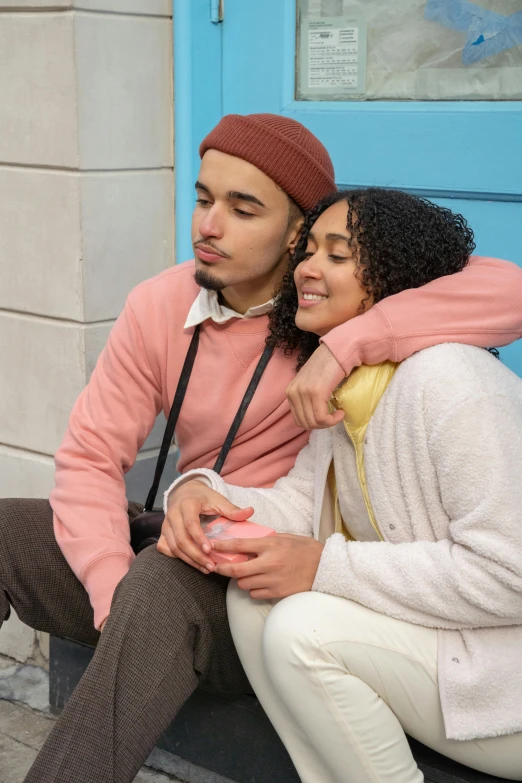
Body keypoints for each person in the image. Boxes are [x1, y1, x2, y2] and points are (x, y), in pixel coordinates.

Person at [0, 114, 521, 782]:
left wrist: (345, 346)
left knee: (160, 585)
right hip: (196, 535)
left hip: (258, 583)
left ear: (297, 228)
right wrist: (112, 586)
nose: (208, 226)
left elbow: (506, 287)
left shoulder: (335, 308)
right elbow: (89, 460)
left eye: (243, 209)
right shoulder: (160, 303)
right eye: (202, 198)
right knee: (16, 532)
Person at [165, 188, 522, 783]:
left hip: (502, 685)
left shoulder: (452, 381)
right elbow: (301, 503)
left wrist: (324, 567)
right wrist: (202, 494)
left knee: (304, 629)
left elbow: (512, 573)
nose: (305, 267)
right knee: (253, 599)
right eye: (308, 251)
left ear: (393, 279)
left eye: (338, 255)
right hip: (449, 653)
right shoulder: (354, 388)